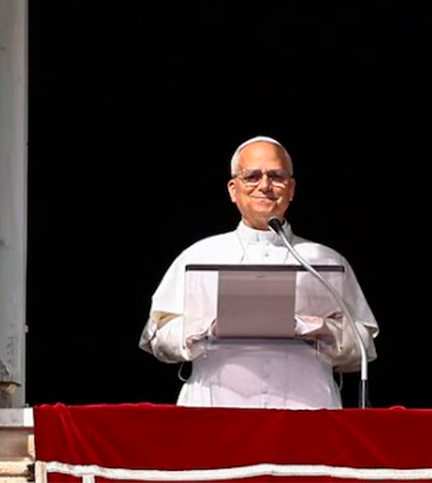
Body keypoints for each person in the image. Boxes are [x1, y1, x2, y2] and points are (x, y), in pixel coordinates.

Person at [138, 136, 378, 409]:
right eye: (252, 176)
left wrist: (315, 327)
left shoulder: (324, 260)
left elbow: (362, 348)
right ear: (232, 189)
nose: (264, 186)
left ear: (291, 188)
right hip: (215, 409)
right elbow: (159, 340)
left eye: (276, 176)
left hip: (308, 408)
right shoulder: (198, 256)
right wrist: (210, 327)